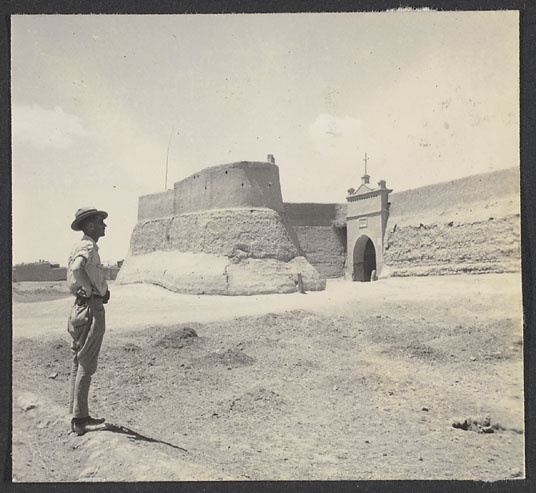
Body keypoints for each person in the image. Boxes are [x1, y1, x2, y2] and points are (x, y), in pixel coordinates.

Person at [66, 207, 111, 436]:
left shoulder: (79, 245)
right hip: (91, 308)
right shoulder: (88, 246)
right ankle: (81, 420)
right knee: (86, 363)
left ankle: (75, 414)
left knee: (77, 360)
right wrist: (90, 289)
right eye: (100, 222)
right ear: (91, 226)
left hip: (79, 307)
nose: (104, 226)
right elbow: (77, 269)